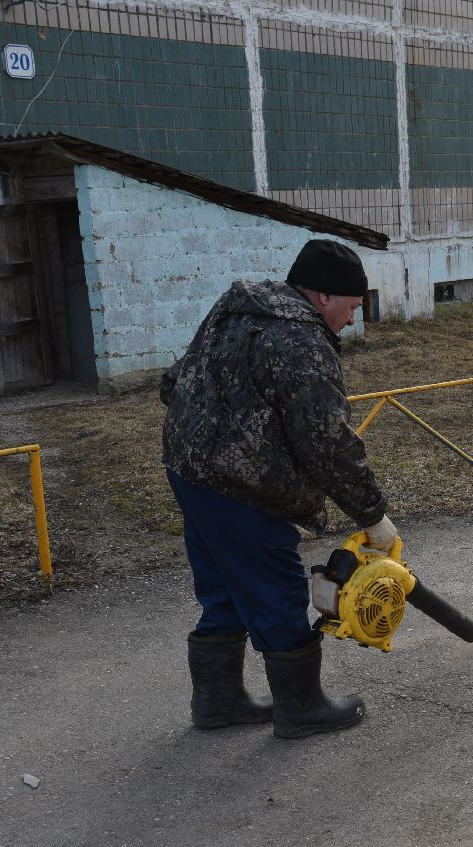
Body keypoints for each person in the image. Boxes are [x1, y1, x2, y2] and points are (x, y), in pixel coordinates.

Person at [161, 239, 397, 740]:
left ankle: (218, 701)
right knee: (277, 588)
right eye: (353, 307)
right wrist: (372, 515)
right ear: (322, 297)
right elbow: (327, 442)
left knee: (224, 584)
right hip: (240, 486)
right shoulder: (301, 344)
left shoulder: (237, 310)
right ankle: (302, 709)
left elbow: (175, 381)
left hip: (189, 469)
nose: (353, 320)